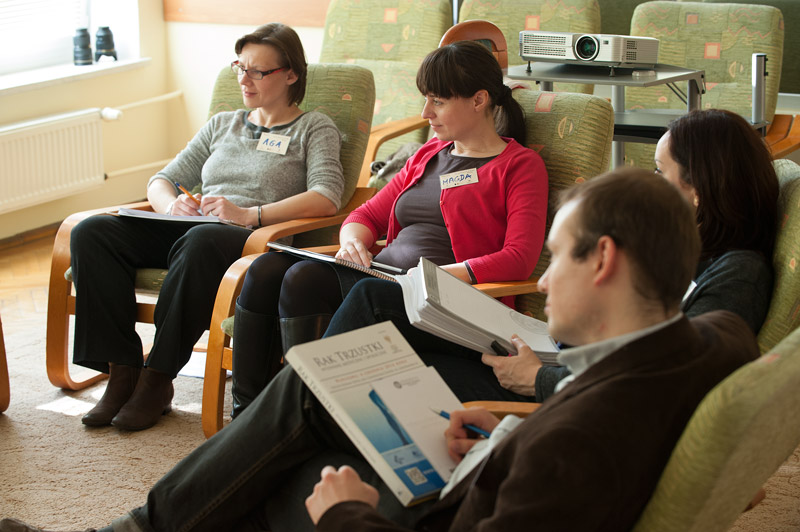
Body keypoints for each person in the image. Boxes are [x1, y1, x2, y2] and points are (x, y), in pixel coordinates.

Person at [0, 168, 759, 532]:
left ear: (604, 261)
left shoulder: (577, 448)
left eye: (557, 256)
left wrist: (349, 517)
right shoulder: (713, 339)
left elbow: (572, 452)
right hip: (484, 465)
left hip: (430, 518)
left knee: (286, 477)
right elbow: (615, 397)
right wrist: (509, 429)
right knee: (314, 392)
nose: (544, 275)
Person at [313, 107, 780, 405]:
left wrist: (539, 379)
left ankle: (307, 404)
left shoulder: (737, 273)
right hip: (549, 353)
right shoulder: (681, 248)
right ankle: (308, 405)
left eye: (661, 172)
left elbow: (669, 383)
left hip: (559, 387)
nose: (652, 184)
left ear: (698, 189)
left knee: (374, 357)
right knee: (374, 316)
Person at [229, 40, 548, 417]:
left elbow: (519, 258)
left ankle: (298, 413)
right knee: (267, 270)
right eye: (426, 99)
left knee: (310, 281)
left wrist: (435, 278)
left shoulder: (519, 166)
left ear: (479, 100)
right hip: (386, 277)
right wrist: (352, 242)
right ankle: (248, 413)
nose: (426, 113)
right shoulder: (427, 155)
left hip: (444, 303)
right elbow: (365, 216)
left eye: (438, 101)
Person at [72, 23, 345, 431]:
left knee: (201, 239)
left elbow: (327, 196)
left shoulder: (314, 127)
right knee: (92, 232)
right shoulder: (223, 123)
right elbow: (161, 180)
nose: (244, 79)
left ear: (291, 74)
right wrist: (172, 205)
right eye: (240, 68)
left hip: (248, 237)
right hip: (194, 228)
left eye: (258, 71)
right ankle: (122, 371)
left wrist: (249, 214)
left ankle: (158, 377)